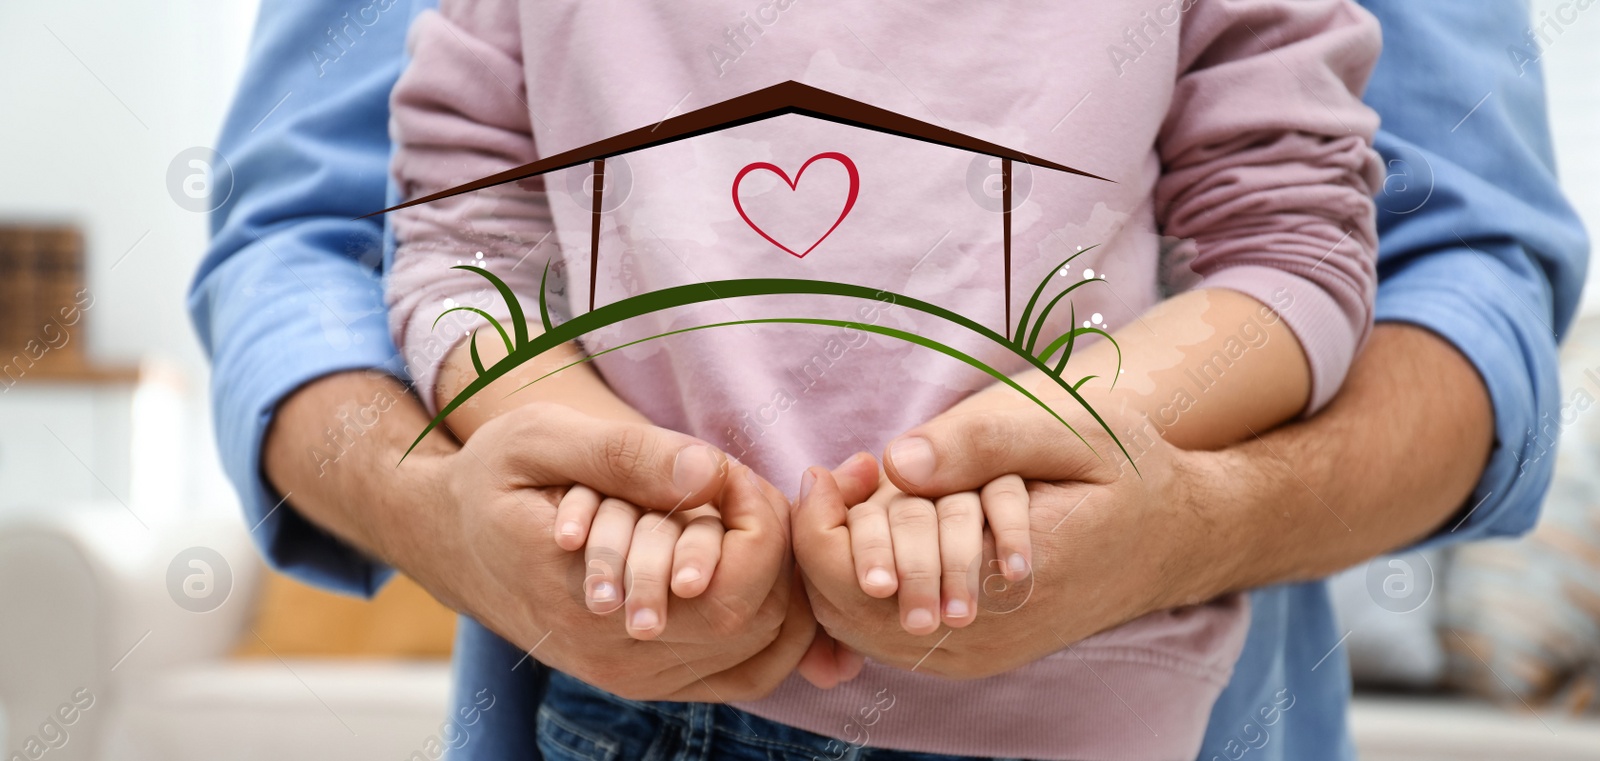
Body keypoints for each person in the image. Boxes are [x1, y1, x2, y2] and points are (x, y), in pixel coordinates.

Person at [187, 1, 1586, 759]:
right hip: (631, 714)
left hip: (1109, 713)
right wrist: (560, 468)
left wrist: (1118, 461)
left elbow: (1366, 248)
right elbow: (409, 234)